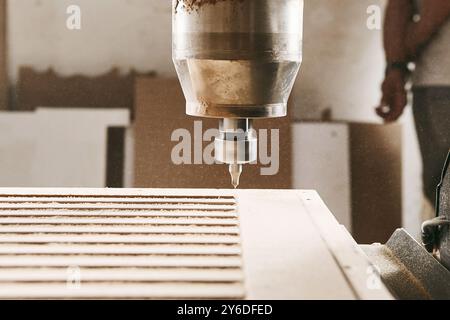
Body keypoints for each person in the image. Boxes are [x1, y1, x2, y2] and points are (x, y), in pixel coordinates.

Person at [377, 0, 450, 209]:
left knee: (443, 191)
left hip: (439, 83)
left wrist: (400, 58)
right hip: (438, 83)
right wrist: (396, 67)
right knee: (443, 191)